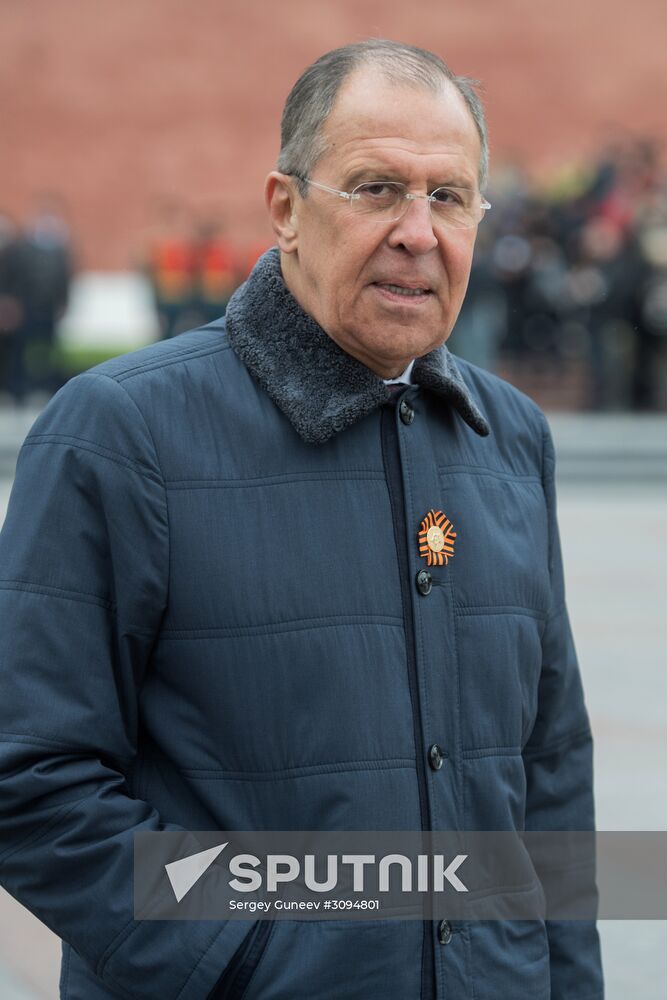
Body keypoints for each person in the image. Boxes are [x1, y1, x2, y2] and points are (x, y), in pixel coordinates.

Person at [0, 40, 603, 1000]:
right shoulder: (123, 435)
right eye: (374, 189)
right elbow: (33, 780)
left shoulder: (509, 438)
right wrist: (249, 952)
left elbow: (549, 770)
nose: (418, 231)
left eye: (449, 197)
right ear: (284, 207)